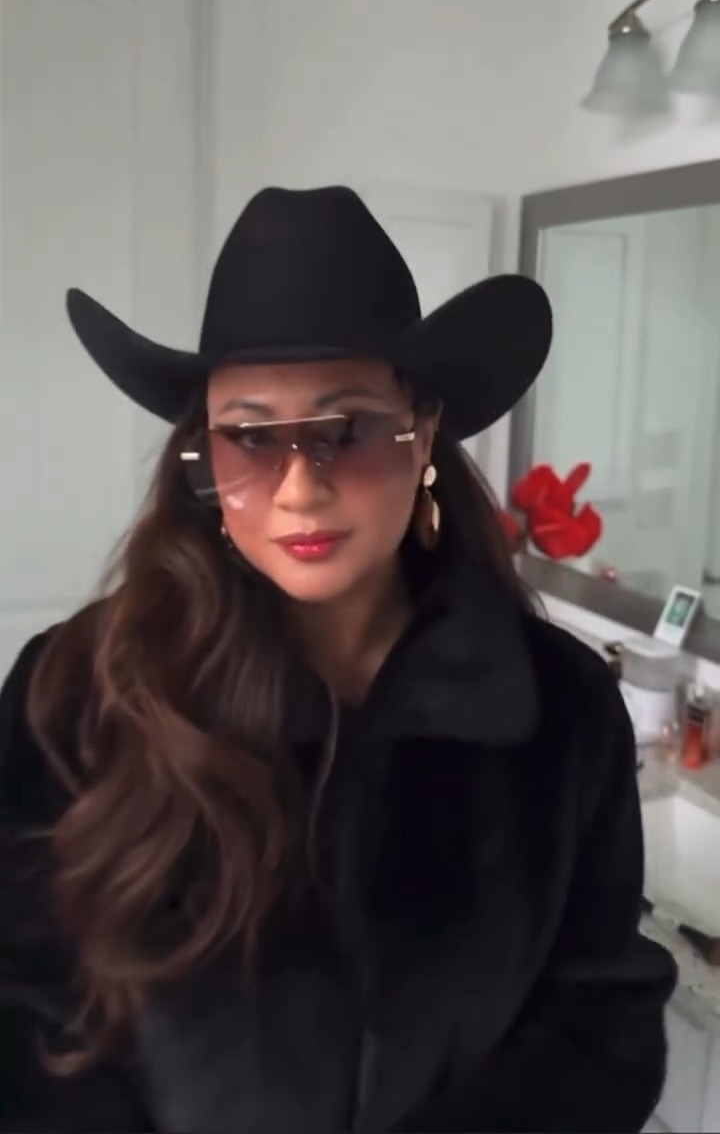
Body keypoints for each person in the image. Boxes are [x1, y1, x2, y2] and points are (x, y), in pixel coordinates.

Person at [0, 186, 676, 1134]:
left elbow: (599, 1025)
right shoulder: (77, 692)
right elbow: (23, 1017)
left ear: (423, 433)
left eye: (346, 429)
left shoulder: (559, 709)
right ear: (205, 452)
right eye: (250, 437)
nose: (299, 490)